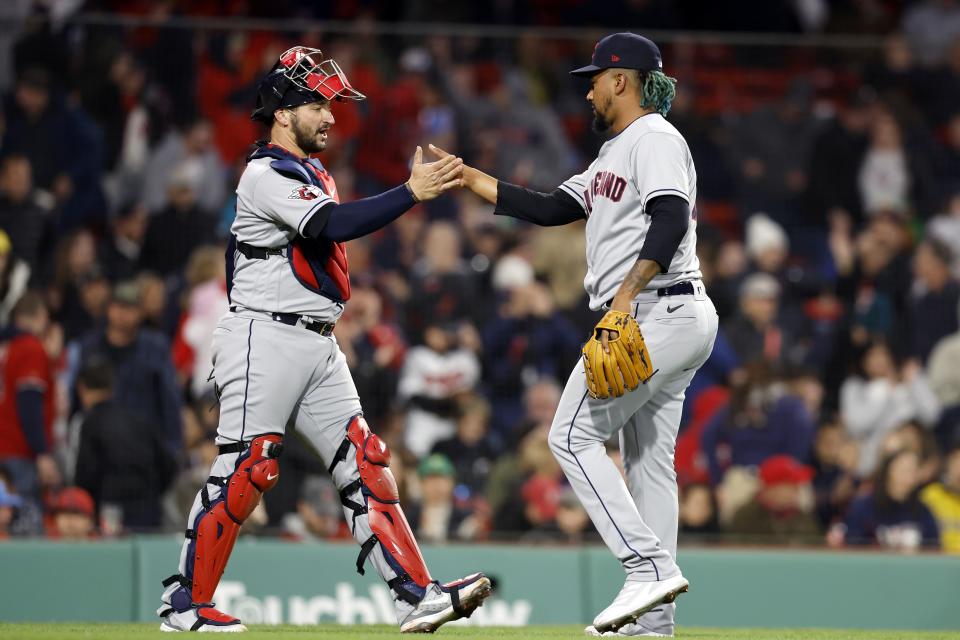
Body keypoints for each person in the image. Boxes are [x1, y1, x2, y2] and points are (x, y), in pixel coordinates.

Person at [156, 46, 489, 634]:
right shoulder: (264, 173)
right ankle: (184, 604)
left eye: (333, 104)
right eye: (319, 103)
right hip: (265, 333)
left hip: (314, 340)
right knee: (246, 468)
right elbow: (330, 225)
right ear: (283, 111)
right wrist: (410, 192)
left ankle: (416, 595)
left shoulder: (311, 171)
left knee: (365, 460)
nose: (332, 115)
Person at [432, 32, 718, 637]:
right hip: (665, 315)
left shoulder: (655, 138)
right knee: (648, 464)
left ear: (622, 80)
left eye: (594, 78)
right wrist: (467, 178)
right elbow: (547, 208)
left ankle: (645, 568)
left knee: (568, 433)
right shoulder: (614, 154)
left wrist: (622, 301)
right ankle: (655, 620)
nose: (586, 90)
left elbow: (669, 221)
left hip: (654, 312)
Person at [73, 358, 178, 531]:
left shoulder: (91, 423)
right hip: (147, 508)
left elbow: (86, 474)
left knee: (113, 556)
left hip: (111, 509)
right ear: (111, 389)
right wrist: (152, 493)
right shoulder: (139, 419)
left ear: (82, 388)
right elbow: (169, 464)